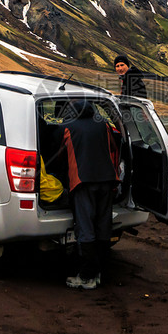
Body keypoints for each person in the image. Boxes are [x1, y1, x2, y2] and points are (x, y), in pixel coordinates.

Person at [53, 99, 122, 289]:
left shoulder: (67, 127)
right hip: (108, 181)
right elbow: (114, 149)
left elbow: (58, 155)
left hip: (83, 182)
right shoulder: (104, 126)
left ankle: (86, 277)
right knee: (102, 226)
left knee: (85, 228)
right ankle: (98, 272)